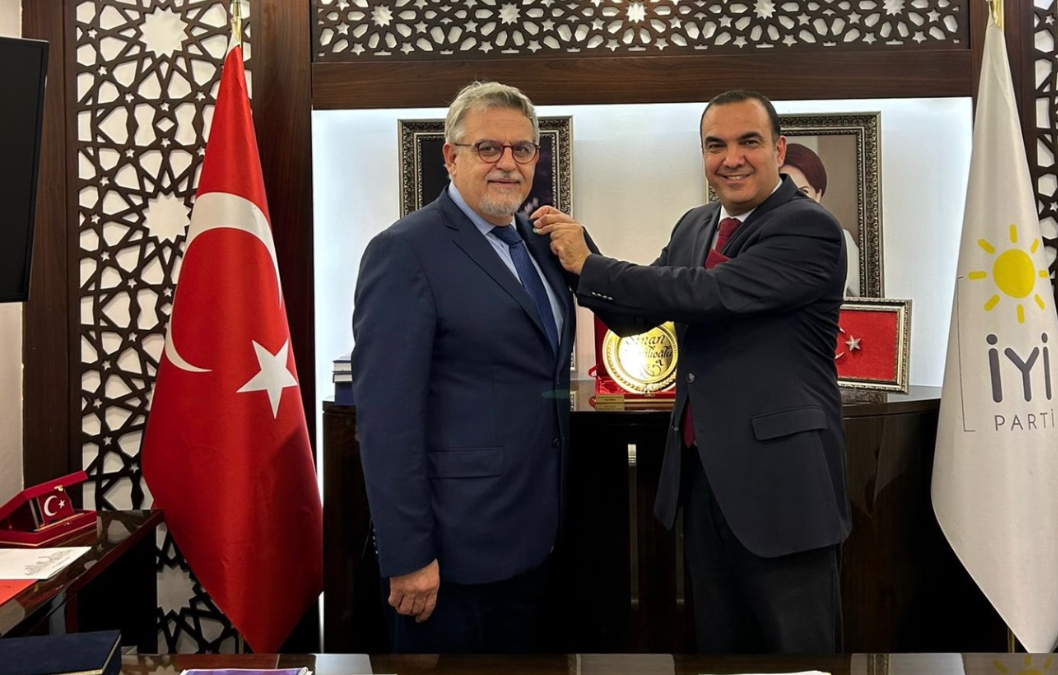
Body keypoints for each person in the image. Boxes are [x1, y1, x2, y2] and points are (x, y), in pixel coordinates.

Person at [532, 90, 850, 654]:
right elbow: (636, 315)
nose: (732, 158)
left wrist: (592, 263)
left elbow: (710, 294)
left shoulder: (808, 226)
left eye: (749, 142)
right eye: (715, 145)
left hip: (784, 489)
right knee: (718, 654)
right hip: (705, 482)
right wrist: (573, 251)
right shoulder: (695, 225)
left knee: (798, 657)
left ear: (779, 150)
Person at [352, 81, 575, 653]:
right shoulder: (405, 250)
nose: (508, 163)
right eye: (488, 148)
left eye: (522, 149)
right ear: (451, 157)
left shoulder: (541, 243)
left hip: (535, 537)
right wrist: (408, 555)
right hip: (450, 554)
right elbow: (386, 420)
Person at [781, 142, 861, 296]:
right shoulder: (751, 239)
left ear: (818, 195)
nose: (793, 200)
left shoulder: (842, 241)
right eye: (784, 191)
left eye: (803, 192)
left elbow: (874, 298)